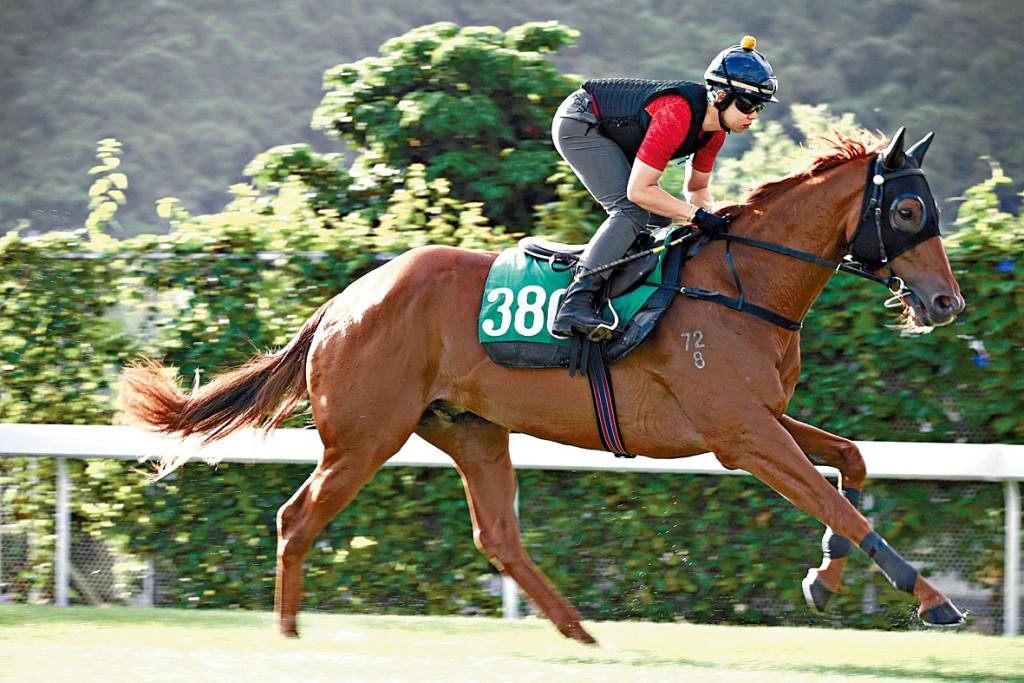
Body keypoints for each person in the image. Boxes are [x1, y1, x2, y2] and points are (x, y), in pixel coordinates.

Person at [549, 36, 780, 340]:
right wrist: (696, 216)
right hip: (581, 121)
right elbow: (639, 192)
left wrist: (716, 218)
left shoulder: (715, 133)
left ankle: (620, 297)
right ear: (720, 96)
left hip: (615, 130)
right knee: (631, 211)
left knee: (658, 221)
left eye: (759, 107)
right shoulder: (677, 114)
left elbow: (697, 189)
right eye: (748, 103)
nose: (753, 115)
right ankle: (574, 304)